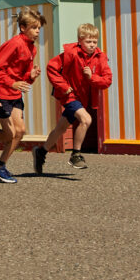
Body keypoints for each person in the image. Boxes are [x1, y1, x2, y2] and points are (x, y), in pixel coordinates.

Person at [33, 23, 112, 173]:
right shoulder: (71, 53)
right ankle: (76, 155)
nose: (92, 45)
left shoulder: (100, 57)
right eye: (88, 42)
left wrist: (92, 77)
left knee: (61, 128)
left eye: (95, 42)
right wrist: (63, 87)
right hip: (69, 95)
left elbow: (107, 80)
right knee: (86, 119)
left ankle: (41, 152)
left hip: (83, 99)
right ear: (79, 41)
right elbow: (51, 67)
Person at [0, 7, 45, 183]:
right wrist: (13, 83)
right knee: (10, 134)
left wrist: (30, 77)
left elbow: (21, 78)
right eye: (34, 27)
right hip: (0, 92)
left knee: (20, 131)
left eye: (39, 28)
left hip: (14, 94)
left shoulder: (32, 49)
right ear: (23, 27)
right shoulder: (14, 44)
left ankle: (0, 166)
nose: (37, 31)